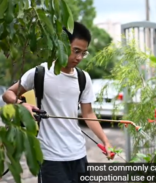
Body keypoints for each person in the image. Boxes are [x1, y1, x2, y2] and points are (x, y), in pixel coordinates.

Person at [2, 22, 112, 183]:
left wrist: (106, 141)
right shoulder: (40, 73)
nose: (79, 57)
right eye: (76, 51)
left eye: (83, 53)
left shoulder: (83, 78)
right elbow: (8, 93)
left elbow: (88, 114)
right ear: (61, 45)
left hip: (78, 154)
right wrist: (22, 105)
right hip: (50, 156)